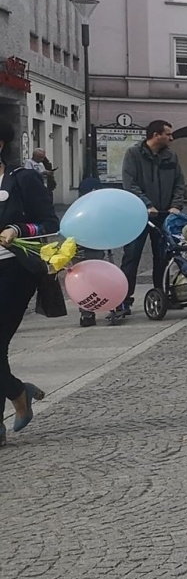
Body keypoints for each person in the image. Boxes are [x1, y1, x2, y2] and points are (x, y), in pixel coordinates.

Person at [0, 122, 57, 441]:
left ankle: (18, 395)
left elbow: (49, 223)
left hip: (13, 272)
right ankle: (18, 391)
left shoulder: (23, 179)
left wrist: (17, 230)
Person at [98, 120, 185, 326]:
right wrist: (146, 204)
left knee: (163, 257)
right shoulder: (133, 154)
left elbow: (179, 183)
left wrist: (176, 206)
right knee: (131, 257)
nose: (171, 138)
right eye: (168, 134)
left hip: (164, 214)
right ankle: (124, 300)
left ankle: (162, 296)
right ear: (156, 135)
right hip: (137, 214)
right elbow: (130, 183)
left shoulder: (170, 156)